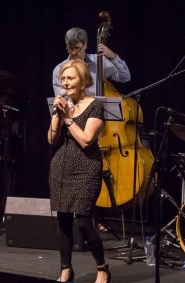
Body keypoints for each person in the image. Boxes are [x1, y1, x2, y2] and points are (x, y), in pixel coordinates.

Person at [52, 27, 131, 234]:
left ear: (86, 46)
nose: (73, 53)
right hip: (77, 124)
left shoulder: (100, 62)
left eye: (77, 49)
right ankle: (95, 216)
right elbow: (64, 100)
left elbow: (125, 77)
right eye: (69, 49)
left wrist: (112, 56)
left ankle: (104, 214)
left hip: (102, 125)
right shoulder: (61, 69)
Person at [48, 59, 110, 283]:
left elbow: (85, 140)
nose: (66, 82)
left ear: (83, 80)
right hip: (61, 167)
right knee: (63, 220)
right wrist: (57, 113)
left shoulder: (95, 106)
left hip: (86, 168)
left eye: (71, 78)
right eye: (63, 78)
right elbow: (51, 138)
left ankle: (102, 268)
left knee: (83, 222)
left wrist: (67, 118)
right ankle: (66, 269)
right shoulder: (61, 105)